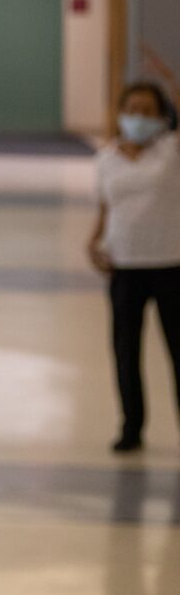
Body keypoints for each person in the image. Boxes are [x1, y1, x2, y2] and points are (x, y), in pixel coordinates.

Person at [88, 45, 180, 455]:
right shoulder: (106, 158)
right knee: (125, 352)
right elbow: (106, 206)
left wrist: (171, 81)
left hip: (169, 264)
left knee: (177, 352)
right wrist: (94, 240)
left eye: (147, 110)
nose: (138, 117)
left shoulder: (170, 152)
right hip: (124, 266)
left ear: (160, 118)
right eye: (132, 109)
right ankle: (131, 426)